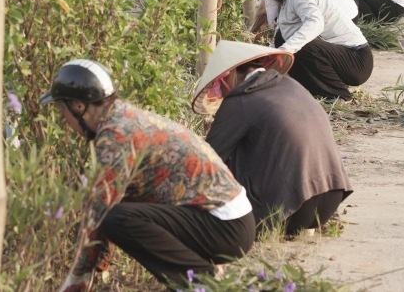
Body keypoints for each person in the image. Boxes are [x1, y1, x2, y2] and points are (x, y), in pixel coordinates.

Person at [44, 60, 255, 292]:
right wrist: (93, 267)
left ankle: (202, 283)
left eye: (62, 111)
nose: (64, 120)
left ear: (78, 106)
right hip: (229, 222)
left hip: (226, 227)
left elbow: (100, 212)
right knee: (119, 213)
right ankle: (202, 275)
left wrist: (79, 275)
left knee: (116, 218)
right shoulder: (121, 119)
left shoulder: (116, 135)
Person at [193, 41, 353, 235]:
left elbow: (207, 160)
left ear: (231, 75)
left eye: (219, 86)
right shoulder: (293, 85)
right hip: (329, 201)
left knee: (221, 162)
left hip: (288, 210)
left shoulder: (240, 100)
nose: (220, 94)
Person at [246, 0, 372, 100]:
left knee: (297, 44)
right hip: (343, 57)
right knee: (283, 38)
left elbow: (315, 23)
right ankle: (311, 90)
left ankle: (339, 94)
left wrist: (286, 50)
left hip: (356, 60)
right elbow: (278, 41)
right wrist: (256, 66)